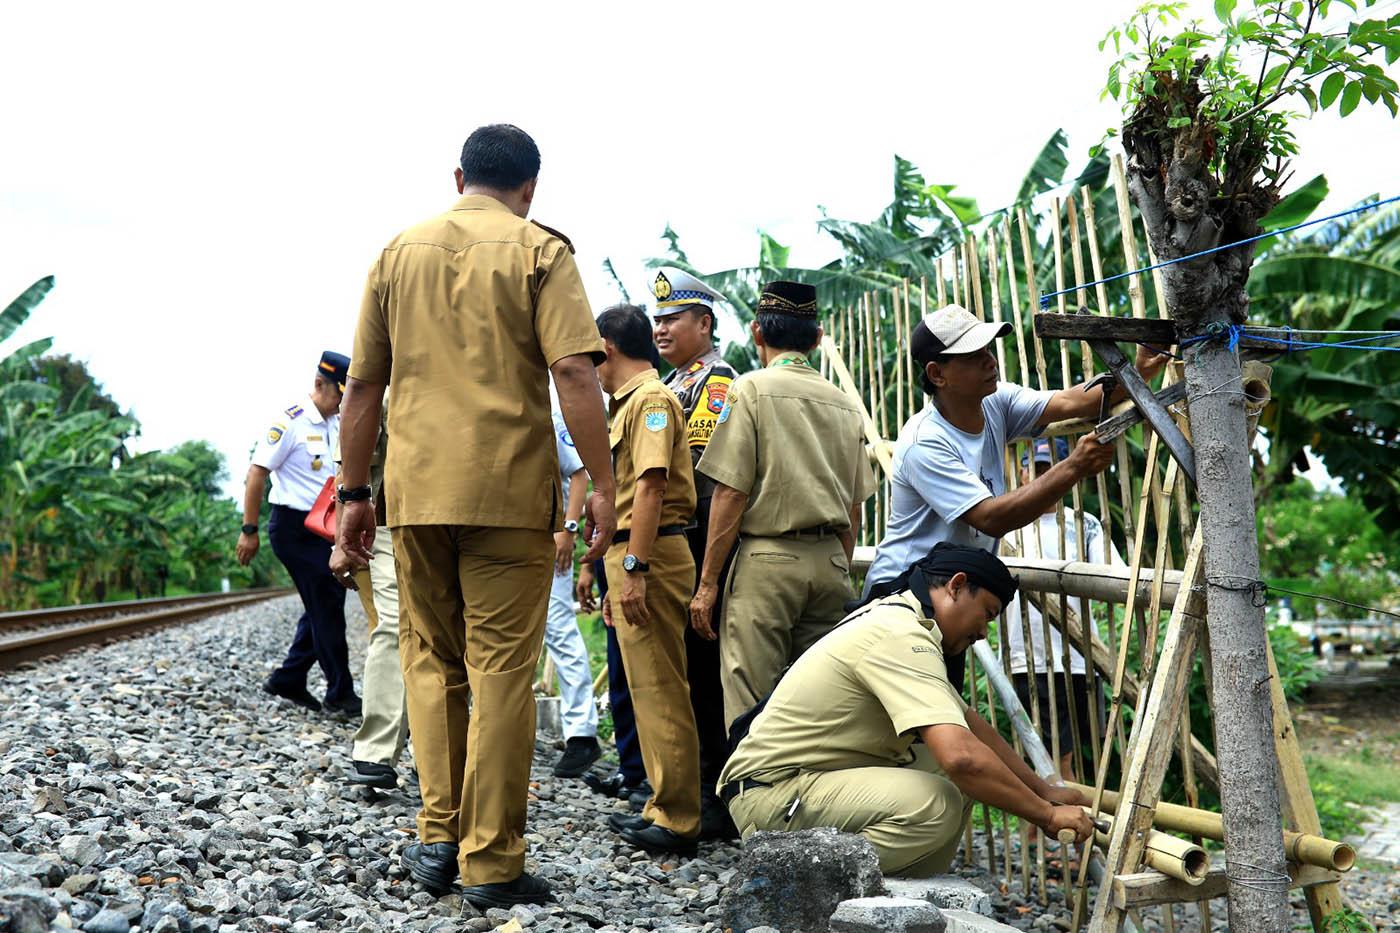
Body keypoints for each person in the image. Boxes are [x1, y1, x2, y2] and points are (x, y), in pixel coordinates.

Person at [337, 124, 618, 908]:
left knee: (433, 664)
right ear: (530, 187)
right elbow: (572, 370)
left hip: (417, 497)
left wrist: (355, 495)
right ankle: (490, 863)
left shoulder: (397, 252)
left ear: (459, 175)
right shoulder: (541, 251)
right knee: (501, 673)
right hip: (507, 495)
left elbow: (363, 387)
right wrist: (603, 482)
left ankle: (437, 834)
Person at [718, 543, 1094, 876]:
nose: (983, 633)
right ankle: (801, 878)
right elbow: (961, 758)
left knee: (961, 781)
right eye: (988, 614)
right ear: (957, 585)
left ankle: (887, 889)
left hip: (802, 784)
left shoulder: (909, 621)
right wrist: (1046, 816)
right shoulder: (900, 633)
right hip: (772, 795)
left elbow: (970, 727)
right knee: (938, 799)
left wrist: (1043, 790)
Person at [863, 303, 1168, 690]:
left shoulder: (995, 403)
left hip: (946, 597)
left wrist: (1138, 372)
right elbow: (991, 517)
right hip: (903, 596)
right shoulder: (926, 442)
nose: (990, 361)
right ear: (937, 374)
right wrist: (1073, 466)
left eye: (988, 349)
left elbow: (1074, 401)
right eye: (974, 356)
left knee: (924, 727)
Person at [689, 281, 877, 727]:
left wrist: (708, 583)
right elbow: (853, 507)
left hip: (767, 562)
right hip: (830, 562)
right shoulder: (845, 404)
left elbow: (731, 493)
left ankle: (752, 795)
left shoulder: (750, 390)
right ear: (816, 338)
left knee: (752, 701)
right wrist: (836, 563)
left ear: (757, 333)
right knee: (820, 703)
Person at [594, 303, 703, 857]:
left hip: (650, 554)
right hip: (634, 554)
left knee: (661, 686)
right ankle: (662, 802)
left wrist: (633, 569)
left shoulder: (651, 401)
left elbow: (653, 488)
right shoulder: (629, 404)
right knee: (646, 686)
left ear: (606, 348)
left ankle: (679, 816)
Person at [651, 266, 739, 839]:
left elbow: (701, 463)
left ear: (703, 324)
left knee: (705, 670)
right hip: (678, 534)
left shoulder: (718, 381)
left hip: (704, 533)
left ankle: (715, 796)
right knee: (682, 668)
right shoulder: (672, 382)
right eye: (656, 319)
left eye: (672, 318)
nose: (660, 329)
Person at [239, 350, 359, 717]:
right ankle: (340, 693)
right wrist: (249, 530)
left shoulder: (337, 423)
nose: (342, 401)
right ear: (319, 384)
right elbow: (257, 473)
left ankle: (289, 679)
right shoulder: (289, 422)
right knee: (327, 605)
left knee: (322, 604)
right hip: (292, 528)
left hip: (324, 527)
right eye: (339, 393)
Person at [1003, 437, 1123, 779]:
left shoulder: (1084, 524)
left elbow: (1114, 579)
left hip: (1081, 657)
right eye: (1037, 469)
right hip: (1029, 658)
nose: (1044, 476)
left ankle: (1064, 826)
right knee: (1054, 759)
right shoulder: (1004, 522)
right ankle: (1056, 829)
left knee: (1091, 753)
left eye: (1052, 468)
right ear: (1023, 474)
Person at [328, 403, 408, 789]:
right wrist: (343, 539)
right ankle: (378, 752)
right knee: (397, 629)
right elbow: (351, 465)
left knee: (408, 633)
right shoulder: (384, 382)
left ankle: (403, 753)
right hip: (391, 525)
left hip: (438, 524)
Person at [545, 397, 602, 777]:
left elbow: (579, 472)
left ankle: (582, 735)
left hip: (548, 544)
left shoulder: (547, 409)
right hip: (502, 543)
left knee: (560, 630)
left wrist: (567, 530)